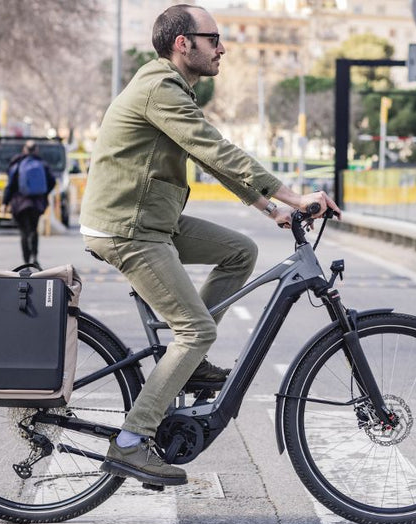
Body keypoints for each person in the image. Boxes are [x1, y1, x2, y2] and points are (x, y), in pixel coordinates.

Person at [79, 4, 340, 488]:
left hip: (152, 217)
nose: (222, 47)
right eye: (213, 38)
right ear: (184, 44)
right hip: (129, 226)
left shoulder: (170, 87)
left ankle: (191, 365)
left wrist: (272, 209)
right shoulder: (160, 88)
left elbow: (214, 160)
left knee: (241, 251)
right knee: (195, 328)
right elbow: (216, 149)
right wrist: (291, 195)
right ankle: (132, 442)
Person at [2, 141, 55, 267]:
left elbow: (10, 185)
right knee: (33, 230)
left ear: (24, 149)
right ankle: (35, 256)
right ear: (36, 150)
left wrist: (5, 202)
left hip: (20, 204)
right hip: (37, 203)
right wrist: (43, 193)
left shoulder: (18, 164)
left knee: (24, 232)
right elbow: (52, 181)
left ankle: (26, 260)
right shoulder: (42, 164)